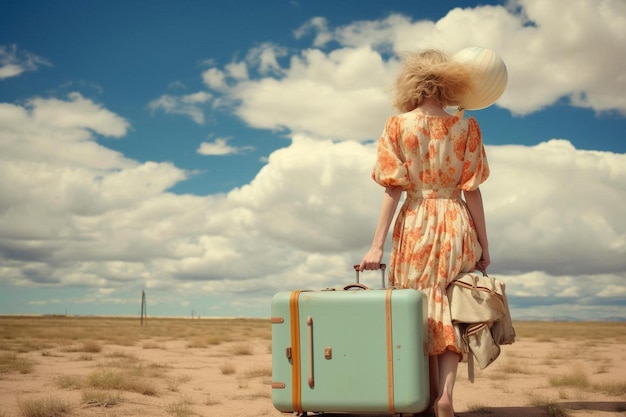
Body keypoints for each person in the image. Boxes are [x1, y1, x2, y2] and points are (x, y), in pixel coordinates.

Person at [359, 49, 491, 417]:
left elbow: (393, 189)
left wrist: (376, 246)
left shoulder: (397, 126)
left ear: (412, 83)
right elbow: (473, 190)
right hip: (456, 221)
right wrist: (484, 243)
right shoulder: (467, 127)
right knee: (451, 307)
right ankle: (445, 396)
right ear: (450, 84)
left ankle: (427, 396)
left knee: (420, 309)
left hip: (415, 221)